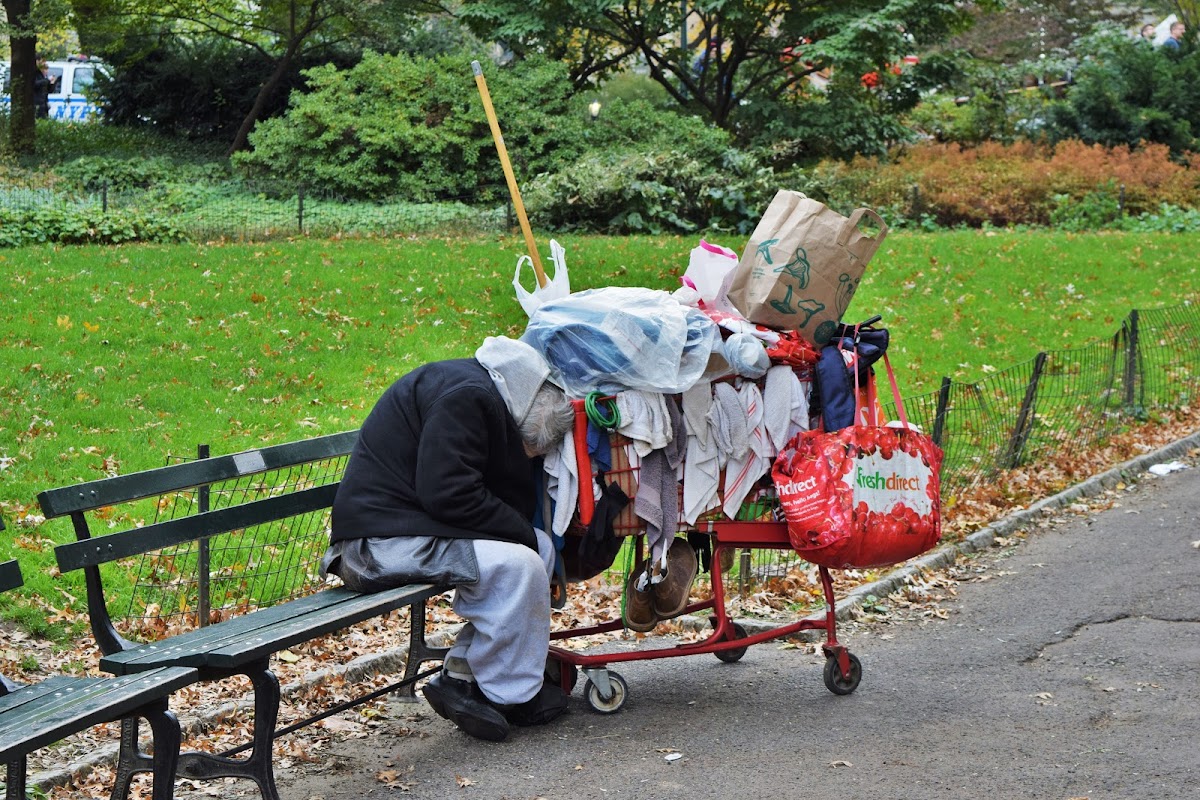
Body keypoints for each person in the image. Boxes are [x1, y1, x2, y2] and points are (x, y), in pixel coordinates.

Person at [322, 336, 576, 742]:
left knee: (538, 548)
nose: (526, 456)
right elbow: (449, 494)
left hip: (405, 530)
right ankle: (508, 695)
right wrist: (519, 532)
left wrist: (524, 534)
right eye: (529, 449)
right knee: (522, 562)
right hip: (374, 546)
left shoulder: (477, 392)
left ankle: (464, 674)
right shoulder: (466, 398)